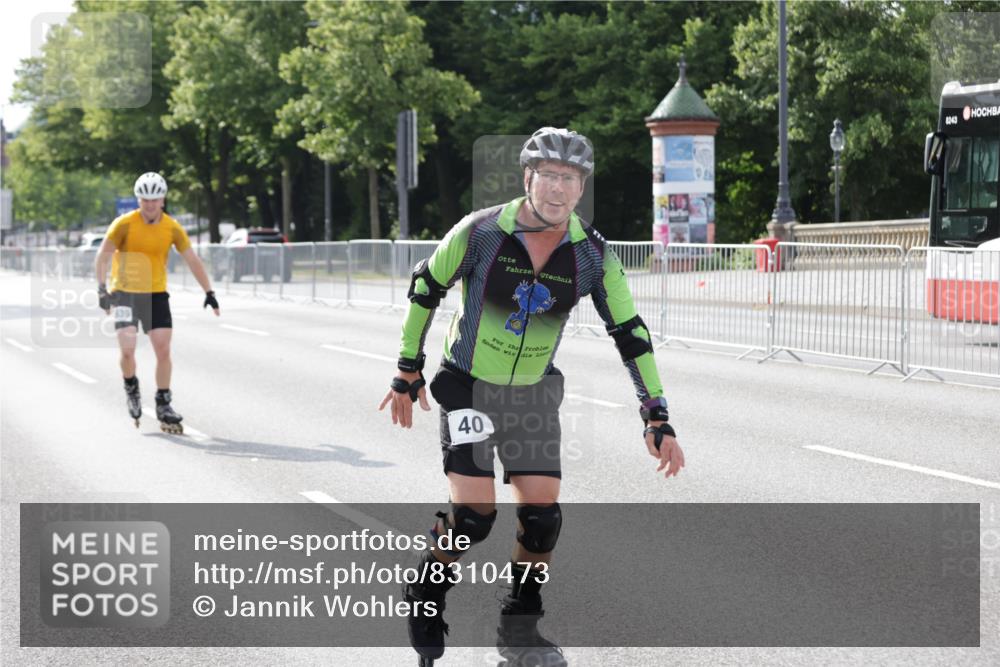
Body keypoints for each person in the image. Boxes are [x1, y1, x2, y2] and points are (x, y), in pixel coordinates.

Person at [379, 128, 685, 663]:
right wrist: (409, 368)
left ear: (581, 187)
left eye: (570, 179)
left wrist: (655, 414)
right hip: (469, 385)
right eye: (548, 176)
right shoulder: (481, 233)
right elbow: (426, 287)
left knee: (542, 516)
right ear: (528, 178)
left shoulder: (591, 254)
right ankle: (426, 593)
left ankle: (519, 625)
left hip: (533, 396)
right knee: (474, 516)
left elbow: (630, 332)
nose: (558, 189)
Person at [94, 172, 220, 433]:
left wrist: (209, 291)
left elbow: (192, 259)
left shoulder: (172, 227)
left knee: (163, 350)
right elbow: (102, 256)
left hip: (156, 294)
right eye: (145, 200)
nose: (150, 204)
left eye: (155, 199)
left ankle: (163, 402)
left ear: (163, 199)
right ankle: (131, 387)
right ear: (138, 200)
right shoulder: (123, 224)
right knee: (127, 350)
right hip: (125, 293)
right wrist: (102, 289)